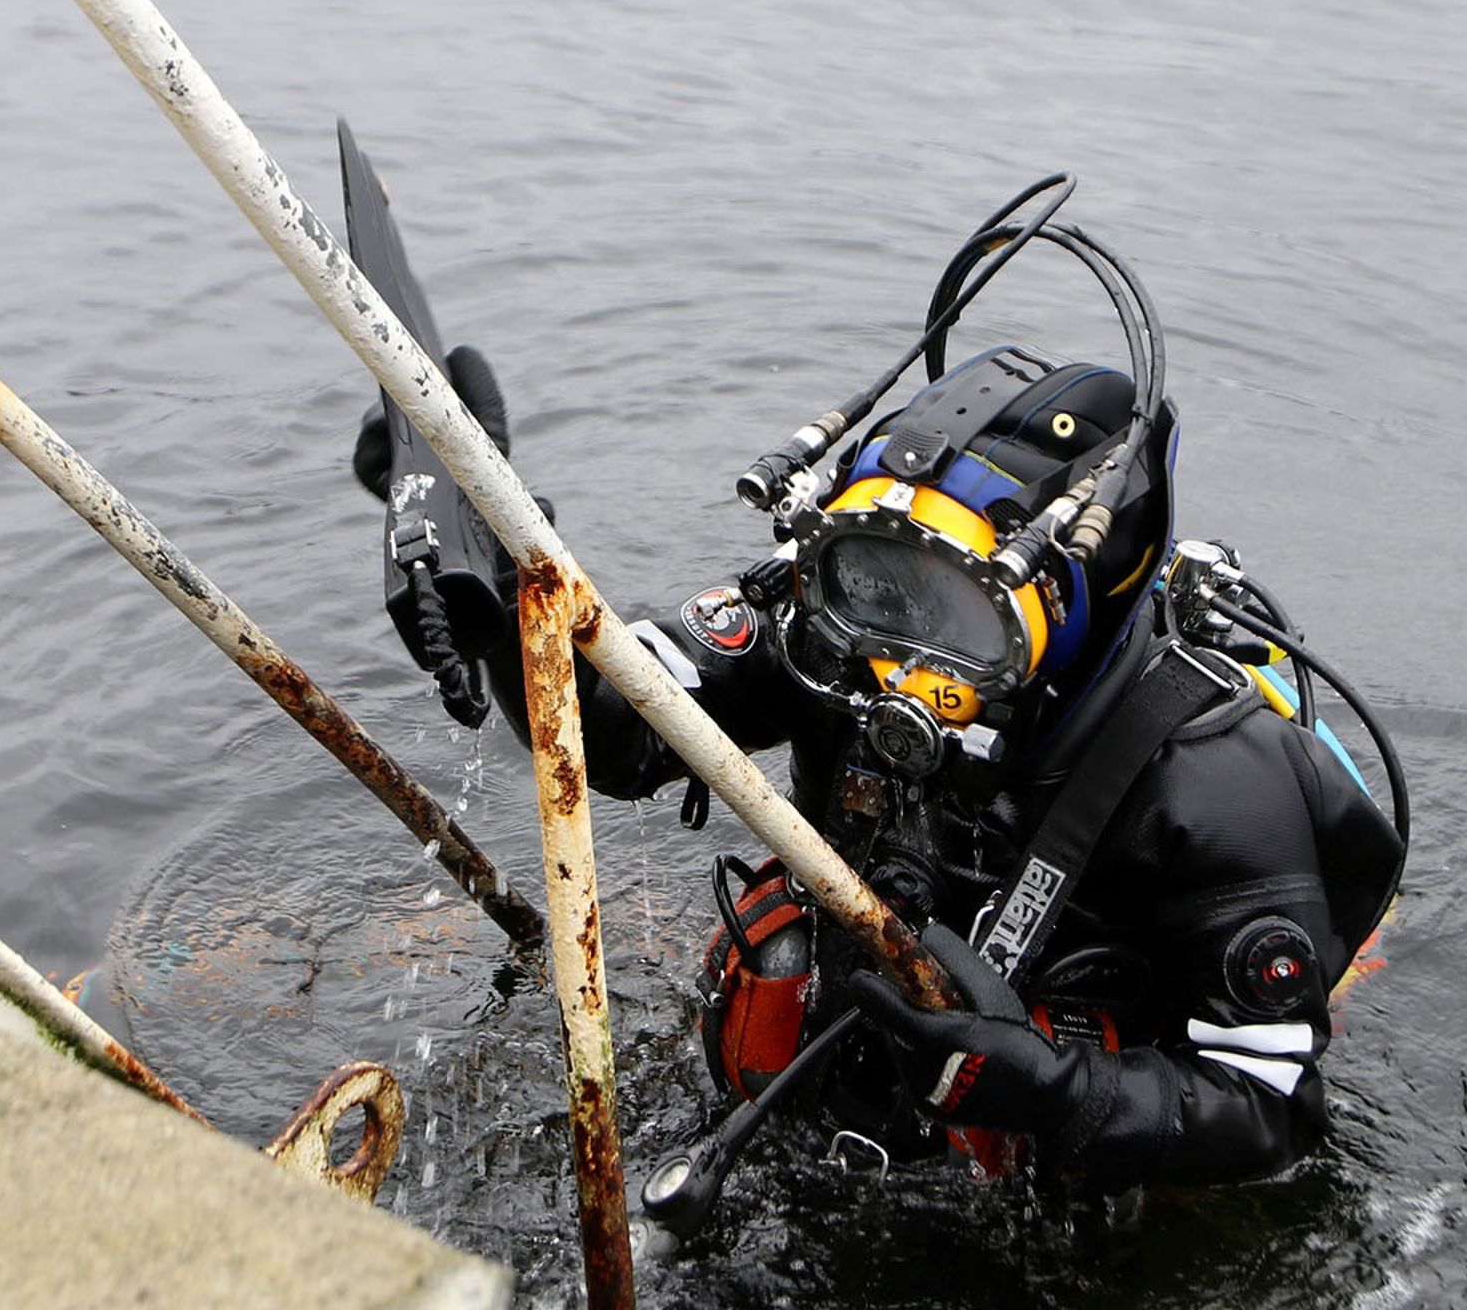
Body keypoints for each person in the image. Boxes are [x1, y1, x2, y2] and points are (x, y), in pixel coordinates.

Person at [354, 175, 1408, 1202]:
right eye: (869, 579)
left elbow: (1272, 1112)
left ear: (1066, 601)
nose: (898, 661)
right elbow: (609, 736)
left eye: (953, 614)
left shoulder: (1217, 786)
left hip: (1070, 1110)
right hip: (875, 1041)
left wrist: (1048, 1089)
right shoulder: (836, 639)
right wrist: (495, 566)